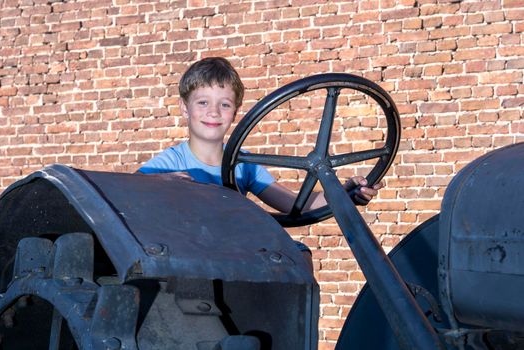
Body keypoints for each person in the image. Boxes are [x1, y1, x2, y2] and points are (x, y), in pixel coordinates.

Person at [138, 57, 382, 271]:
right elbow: (125, 193)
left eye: (224, 104)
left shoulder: (244, 163)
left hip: (236, 252)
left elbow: (295, 204)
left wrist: (344, 193)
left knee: (299, 254)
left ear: (235, 112)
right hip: (192, 253)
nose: (213, 112)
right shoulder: (169, 163)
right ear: (184, 107)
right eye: (203, 102)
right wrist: (161, 184)